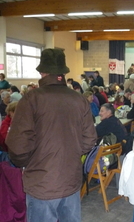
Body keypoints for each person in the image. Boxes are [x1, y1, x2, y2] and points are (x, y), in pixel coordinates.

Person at [6, 48, 97, 222]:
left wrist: (28, 162)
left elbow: (17, 144)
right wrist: (71, 154)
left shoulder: (31, 99)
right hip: (71, 178)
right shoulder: (79, 99)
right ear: (63, 72)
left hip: (42, 182)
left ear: (42, 72)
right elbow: (90, 139)